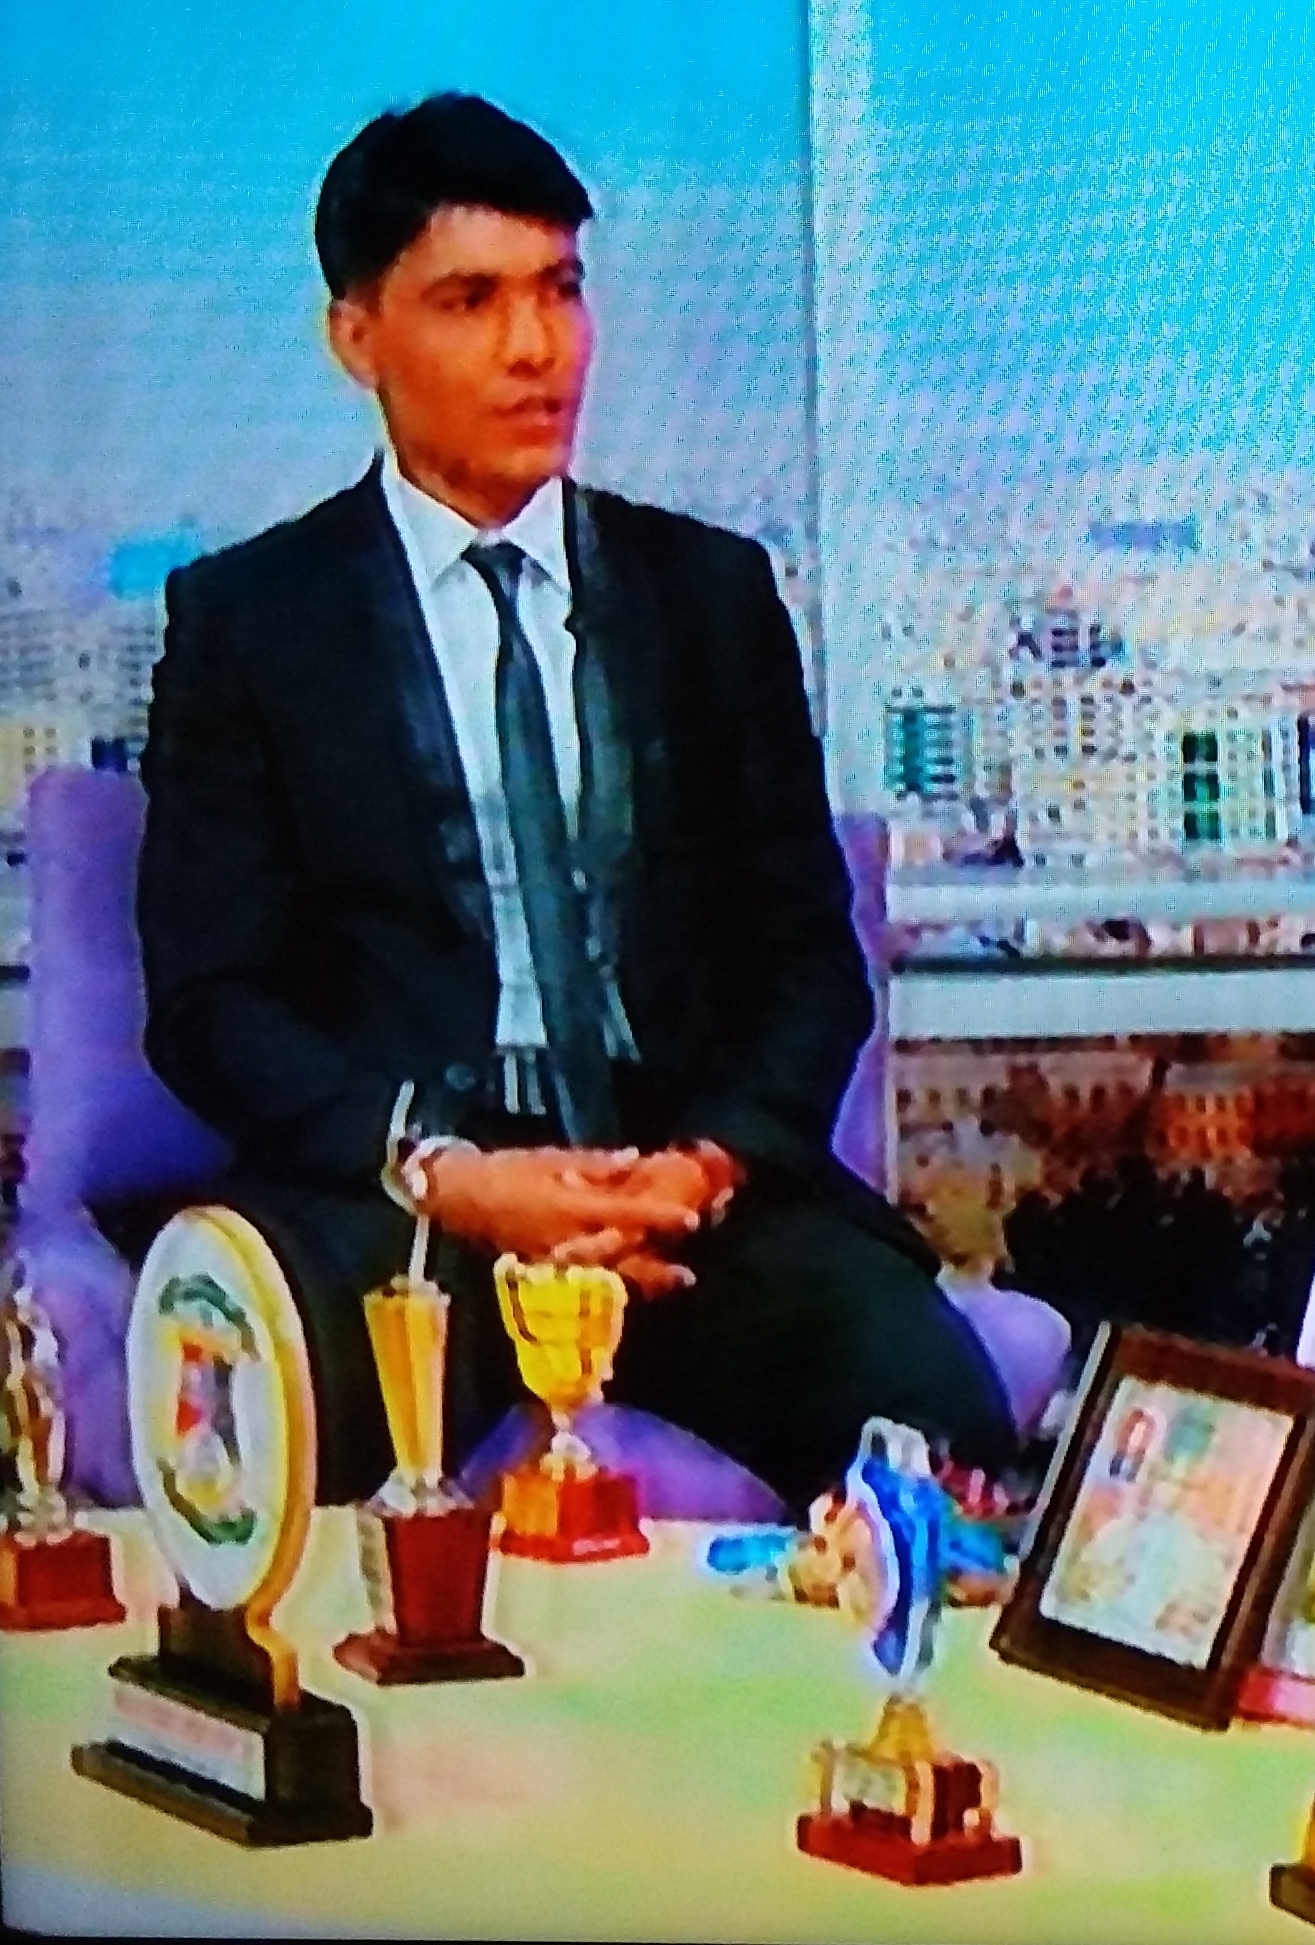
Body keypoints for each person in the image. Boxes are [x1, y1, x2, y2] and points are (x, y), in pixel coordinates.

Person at [136, 94, 1018, 1515]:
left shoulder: (711, 596)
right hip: (409, 1207)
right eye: (471, 300)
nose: (535, 347)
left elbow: (809, 958)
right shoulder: (254, 622)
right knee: (264, 1449)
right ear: (355, 336)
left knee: (936, 1432)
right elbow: (213, 1001)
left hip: (684, 1197)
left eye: (559, 290)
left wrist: (699, 1166)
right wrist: (454, 1174)